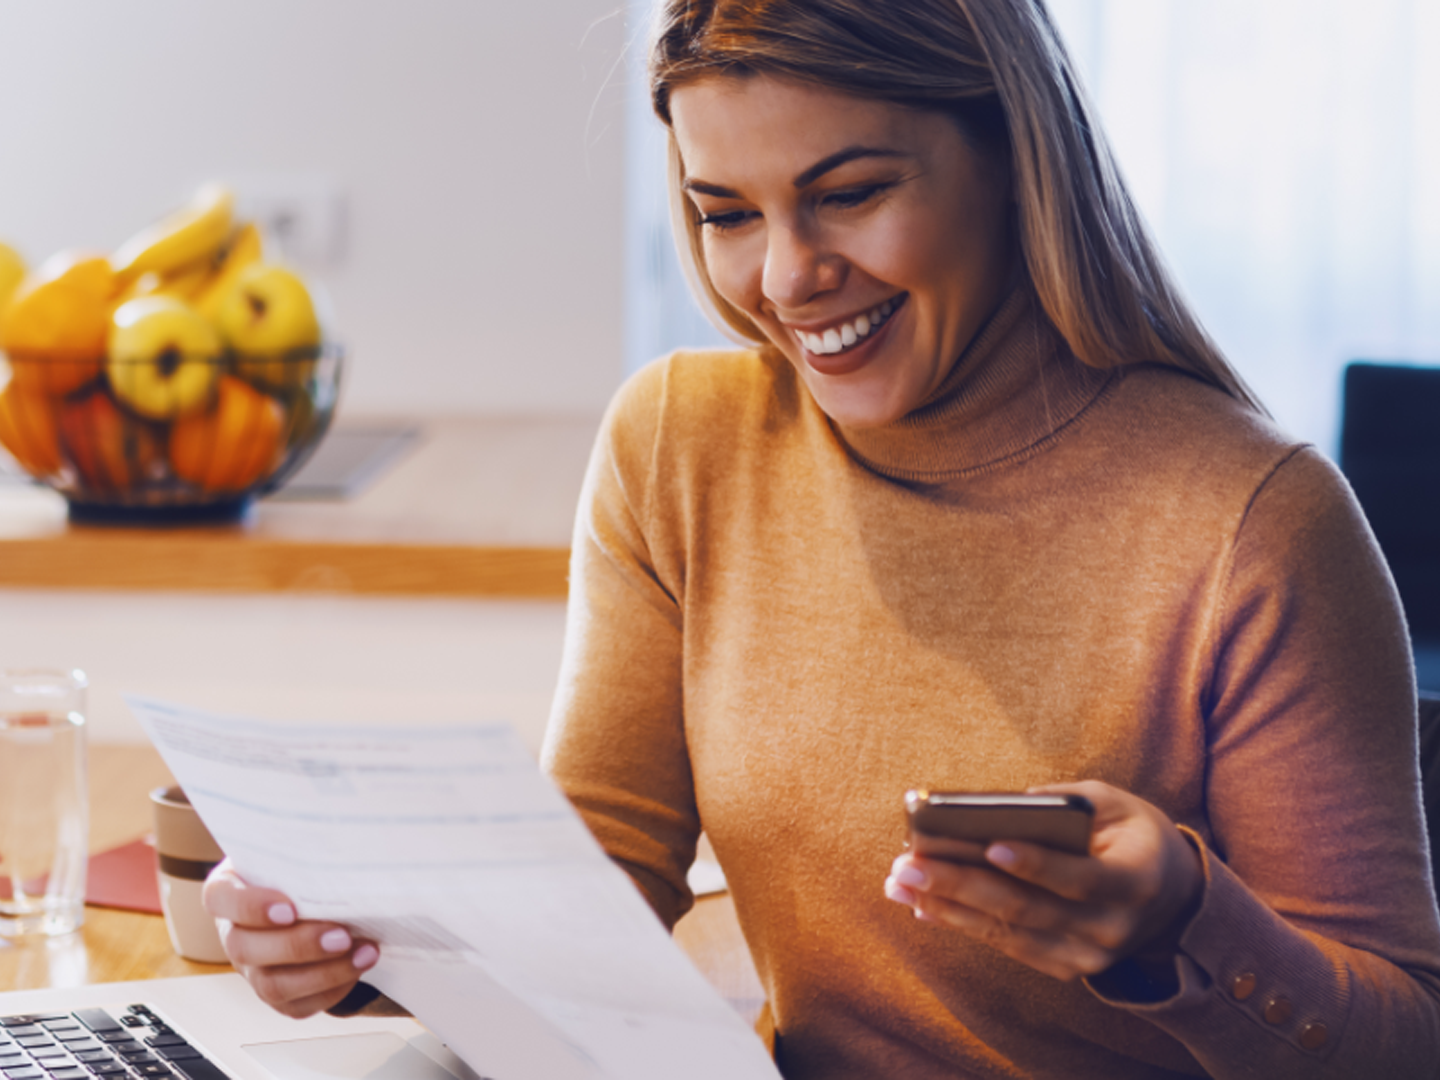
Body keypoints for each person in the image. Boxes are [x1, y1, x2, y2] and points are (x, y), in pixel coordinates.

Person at [204, 0, 1440, 1075]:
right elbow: (598, 893)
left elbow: (1405, 1040)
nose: (788, 278)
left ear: (1014, 153)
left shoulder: (1253, 521)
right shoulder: (680, 443)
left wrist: (1180, 928)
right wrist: (361, 940)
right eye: (725, 212)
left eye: (849, 194)